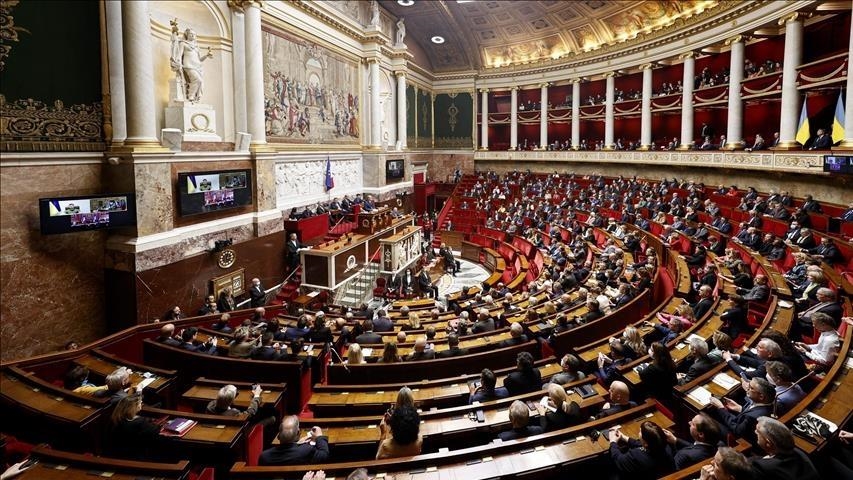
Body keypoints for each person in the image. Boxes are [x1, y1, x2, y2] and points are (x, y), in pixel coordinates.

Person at [750, 416, 820, 480]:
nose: (755, 432)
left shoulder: (764, 466)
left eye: (757, 431)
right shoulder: (797, 451)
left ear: (768, 443)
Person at [708, 377, 775, 443]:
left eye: (751, 388)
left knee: (710, 417)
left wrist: (721, 408)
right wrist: (740, 409)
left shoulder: (752, 417)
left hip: (741, 437)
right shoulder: (769, 404)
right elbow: (752, 412)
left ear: (761, 396)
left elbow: (737, 430)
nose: (747, 388)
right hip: (743, 423)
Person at [608, 421, 675, 480]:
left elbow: (618, 459)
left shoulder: (635, 456)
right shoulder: (666, 447)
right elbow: (643, 445)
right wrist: (624, 437)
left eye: (640, 432)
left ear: (646, 443)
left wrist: (613, 441)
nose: (639, 432)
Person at [107, 392, 163, 461]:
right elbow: (156, 430)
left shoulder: (115, 419)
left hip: (117, 453)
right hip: (135, 456)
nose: (141, 403)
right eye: (140, 403)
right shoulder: (139, 422)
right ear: (134, 407)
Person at [259, 416, 329, 465]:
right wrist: (319, 436)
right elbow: (324, 454)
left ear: (278, 437)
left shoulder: (264, 457)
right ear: (298, 433)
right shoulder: (307, 450)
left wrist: (297, 444)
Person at [170, 25, 213, 102]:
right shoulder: (183, 43)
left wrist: (206, 56)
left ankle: (195, 98)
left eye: (194, 34)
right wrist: (178, 62)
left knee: (200, 82)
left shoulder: (197, 46)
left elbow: (200, 59)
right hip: (188, 65)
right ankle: (191, 96)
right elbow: (179, 54)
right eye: (191, 34)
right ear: (187, 35)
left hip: (198, 66)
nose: (192, 35)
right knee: (198, 80)